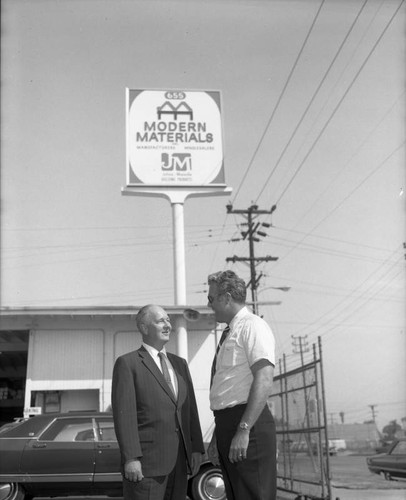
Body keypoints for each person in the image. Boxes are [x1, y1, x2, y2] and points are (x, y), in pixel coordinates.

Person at [111, 304, 204, 500]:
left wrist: (196, 449)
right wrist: (131, 458)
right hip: (146, 467)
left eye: (168, 320)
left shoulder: (180, 364)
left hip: (180, 464)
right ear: (144, 328)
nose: (168, 325)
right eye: (161, 320)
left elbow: (190, 410)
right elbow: (124, 417)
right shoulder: (128, 364)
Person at [207, 270, 277, 500]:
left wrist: (243, 430)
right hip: (230, 424)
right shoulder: (231, 332)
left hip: (249, 426)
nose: (209, 304)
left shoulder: (253, 326)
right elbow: (230, 390)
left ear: (226, 297)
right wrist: (219, 435)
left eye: (211, 298)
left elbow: (264, 378)